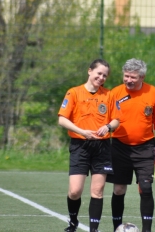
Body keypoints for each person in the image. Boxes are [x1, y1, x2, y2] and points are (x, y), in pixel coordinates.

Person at [58, 59, 120, 232]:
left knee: (98, 190)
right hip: (80, 145)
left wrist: (108, 127)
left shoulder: (109, 95)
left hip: (102, 147)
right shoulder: (74, 93)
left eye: (105, 75)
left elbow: (116, 120)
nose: (101, 78)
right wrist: (82, 131)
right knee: (75, 191)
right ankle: (73, 222)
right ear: (89, 71)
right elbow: (62, 119)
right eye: (98, 73)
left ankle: (94, 229)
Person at [106, 58, 155, 232]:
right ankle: (116, 228)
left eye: (133, 77)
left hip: (146, 147)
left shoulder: (152, 93)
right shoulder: (115, 93)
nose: (128, 80)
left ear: (142, 77)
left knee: (145, 188)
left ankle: (147, 230)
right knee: (118, 189)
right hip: (119, 147)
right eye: (126, 76)